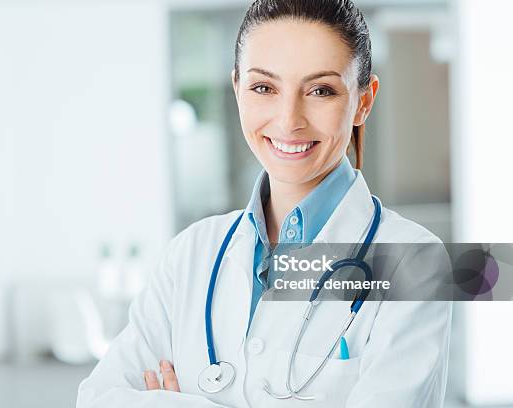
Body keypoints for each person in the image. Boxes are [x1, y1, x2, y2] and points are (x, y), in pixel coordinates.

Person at [76, 0, 452, 406]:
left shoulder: (414, 262)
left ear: (363, 100)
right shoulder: (192, 252)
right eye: (264, 88)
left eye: (320, 90)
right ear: (237, 88)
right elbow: (98, 398)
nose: (289, 119)